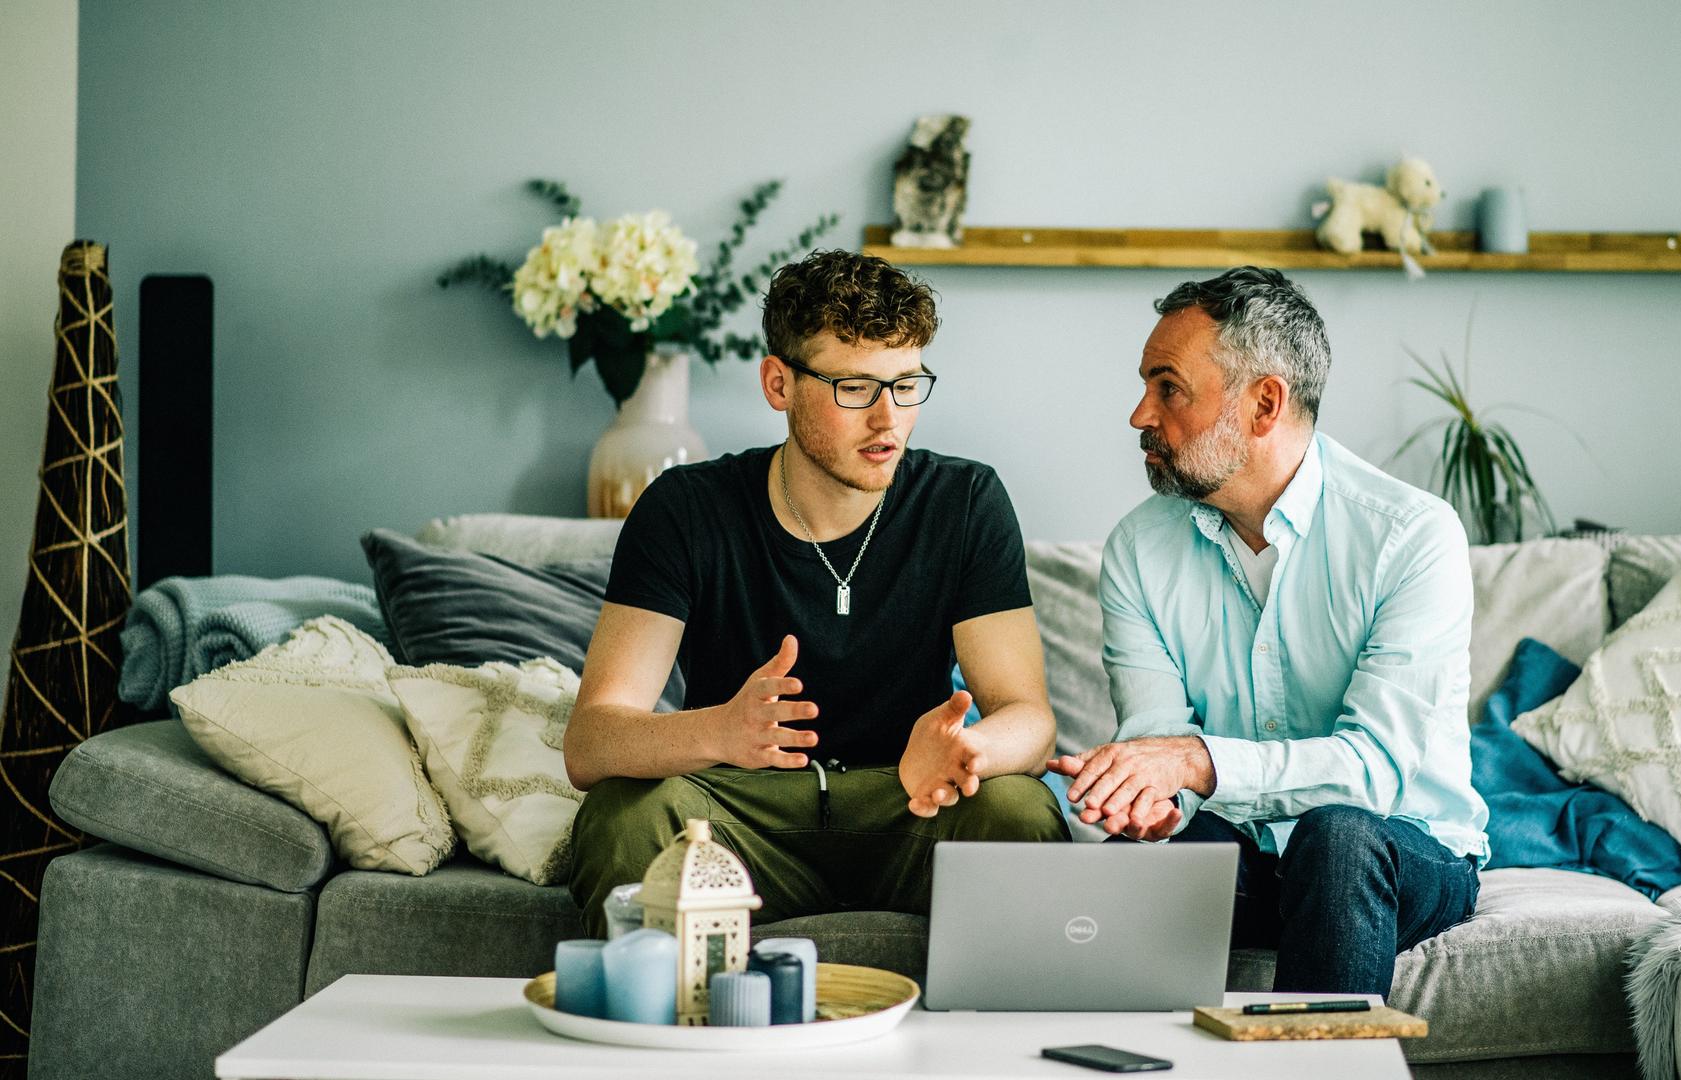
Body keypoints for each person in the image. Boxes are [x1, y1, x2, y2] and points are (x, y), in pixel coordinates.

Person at [567, 250, 1066, 934]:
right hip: (741, 814)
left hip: (907, 801)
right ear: (779, 383)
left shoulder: (965, 501)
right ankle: (669, 1027)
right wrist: (720, 730)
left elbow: (1030, 721)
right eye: (855, 388)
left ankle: (990, 1038)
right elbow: (591, 743)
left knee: (1018, 810)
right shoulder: (686, 508)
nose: (888, 420)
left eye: (907, 384)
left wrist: (966, 752)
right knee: (622, 818)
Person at [1048, 266, 1488, 997]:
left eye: (1168, 388)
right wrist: (1153, 803)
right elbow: (1159, 738)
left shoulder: (1410, 537)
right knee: (1148, 862)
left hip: (1399, 852)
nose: (1139, 415)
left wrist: (1194, 764)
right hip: (1247, 857)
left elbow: (1374, 770)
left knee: (1337, 836)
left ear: (1263, 404)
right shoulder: (1136, 549)